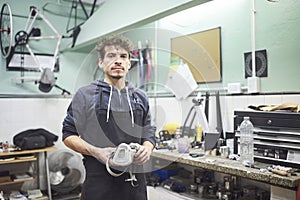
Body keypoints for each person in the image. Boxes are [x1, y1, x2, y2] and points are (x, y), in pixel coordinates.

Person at [62, 34, 156, 200]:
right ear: (101, 63)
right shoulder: (85, 95)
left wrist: (147, 149)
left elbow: (149, 132)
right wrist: (97, 152)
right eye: (111, 56)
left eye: (123, 57)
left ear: (129, 63)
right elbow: (69, 135)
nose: (118, 61)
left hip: (134, 184)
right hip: (99, 184)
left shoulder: (140, 96)